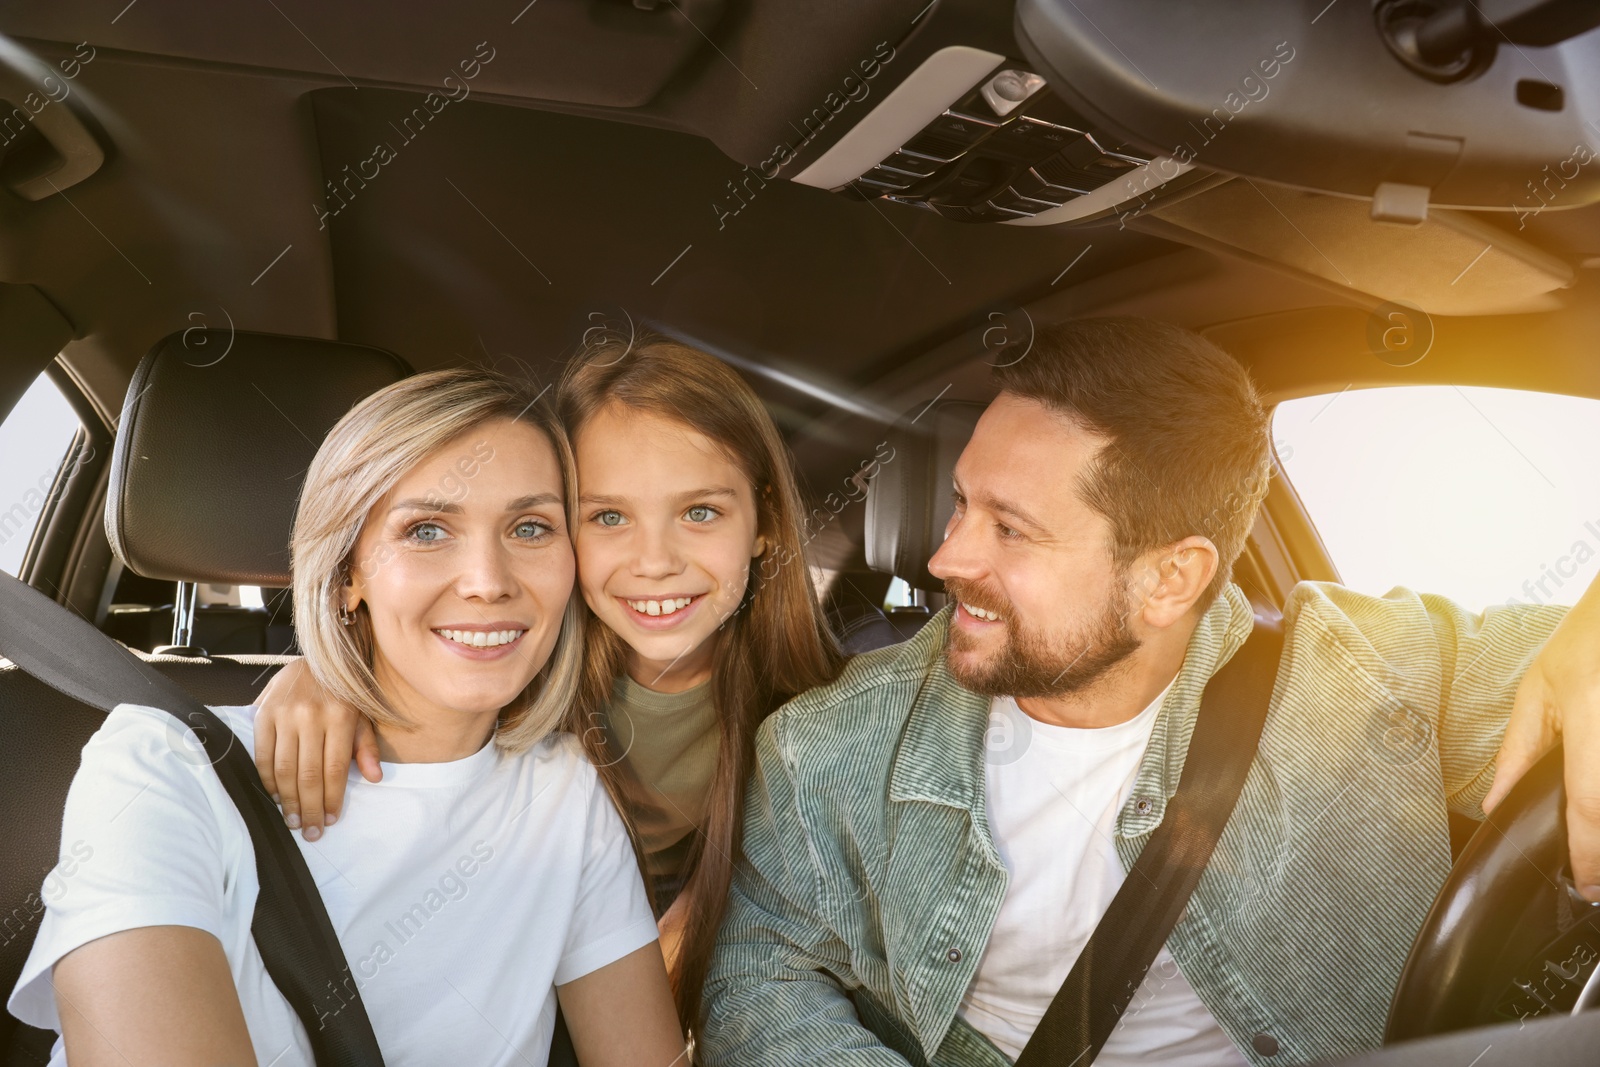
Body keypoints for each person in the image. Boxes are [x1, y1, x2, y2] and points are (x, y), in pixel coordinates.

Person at [696, 317, 1600, 1066]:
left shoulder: (1377, 674)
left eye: (1011, 529)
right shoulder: (826, 750)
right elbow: (757, 969)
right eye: (962, 503)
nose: (948, 558)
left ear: (1171, 578)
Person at [7, 368, 686, 1066]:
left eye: (531, 526)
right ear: (347, 573)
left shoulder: (567, 795)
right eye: (426, 529)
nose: (489, 579)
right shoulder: (159, 767)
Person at [250, 333, 845, 1030]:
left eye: (700, 512)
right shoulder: (507, 676)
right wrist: (320, 674)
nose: (654, 561)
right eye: (609, 517)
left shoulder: (823, 723)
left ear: (765, 523)